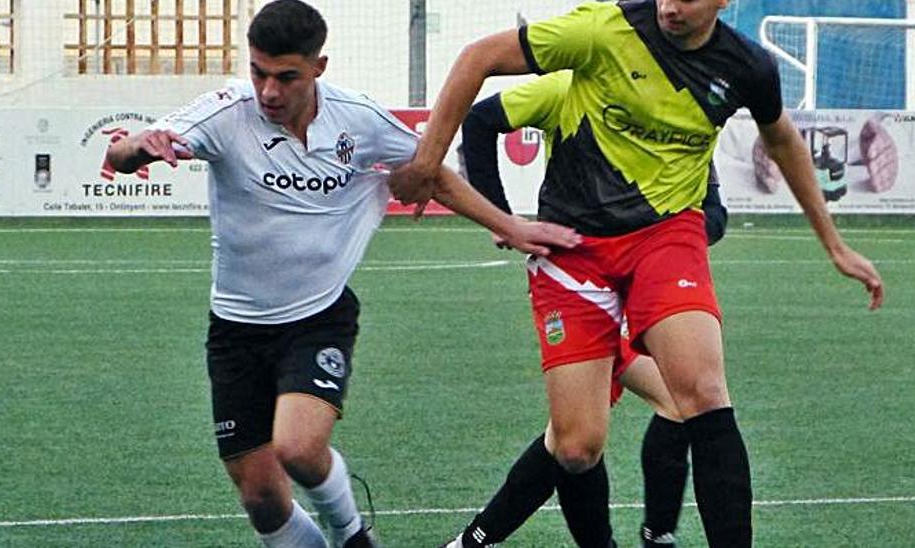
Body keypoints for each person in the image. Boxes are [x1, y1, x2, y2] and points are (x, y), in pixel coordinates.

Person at [392, 1, 885, 546]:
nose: (670, 5)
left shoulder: (748, 66)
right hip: (575, 249)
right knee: (577, 447)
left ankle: (660, 531)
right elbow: (477, 59)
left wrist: (834, 243)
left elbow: (782, 138)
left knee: (699, 390)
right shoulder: (603, 30)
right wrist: (431, 167)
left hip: (665, 237)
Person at [106, 2, 580, 546]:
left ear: (318, 68)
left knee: (299, 449)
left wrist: (511, 226)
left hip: (317, 317)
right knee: (262, 500)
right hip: (235, 330)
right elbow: (125, 151)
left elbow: (434, 174)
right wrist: (137, 147)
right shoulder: (225, 113)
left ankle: (351, 535)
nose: (268, 92)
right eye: (258, 72)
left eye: (286, 77)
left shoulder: (357, 121)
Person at [455, 70, 730, 547]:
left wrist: (659, 251)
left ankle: (657, 532)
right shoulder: (570, 89)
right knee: (576, 442)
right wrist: (502, 217)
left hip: (644, 295)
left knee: (627, 423)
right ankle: (474, 542)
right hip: (579, 284)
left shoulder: (681, 117)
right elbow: (479, 122)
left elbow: (715, 214)